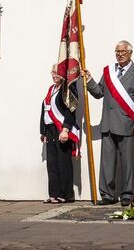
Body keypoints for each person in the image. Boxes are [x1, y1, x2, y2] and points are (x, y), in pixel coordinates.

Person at [82, 40, 134, 206]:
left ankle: (127, 194)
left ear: (130, 53)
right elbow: (99, 93)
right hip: (108, 124)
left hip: (128, 124)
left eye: (123, 52)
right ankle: (108, 194)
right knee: (107, 163)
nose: (119, 54)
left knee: (127, 163)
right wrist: (89, 80)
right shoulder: (108, 72)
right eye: (117, 52)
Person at [40, 63, 79, 203]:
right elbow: (44, 109)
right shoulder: (51, 89)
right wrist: (43, 131)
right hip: (50, 130)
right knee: (52, 164)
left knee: (64, 163)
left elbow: (70, 110)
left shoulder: (68, 88)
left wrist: (66, 129)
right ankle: (54, 193)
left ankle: (66, 194)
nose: (54, 74)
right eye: (52, 72)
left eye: (57, 72)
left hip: (62, 129)